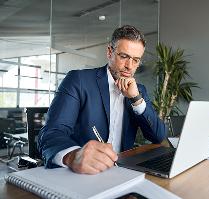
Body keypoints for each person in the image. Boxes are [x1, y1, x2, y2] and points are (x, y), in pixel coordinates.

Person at [38, 25, 166, 174]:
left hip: (122, 171)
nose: (129, 66)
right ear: (109, 52)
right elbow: (51, 133)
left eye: (136, 60)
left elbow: (158, 136)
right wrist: (73, 155)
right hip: (83, 173)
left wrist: (136, 99)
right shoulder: (78, 81)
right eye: (124, 56)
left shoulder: (139, 90)